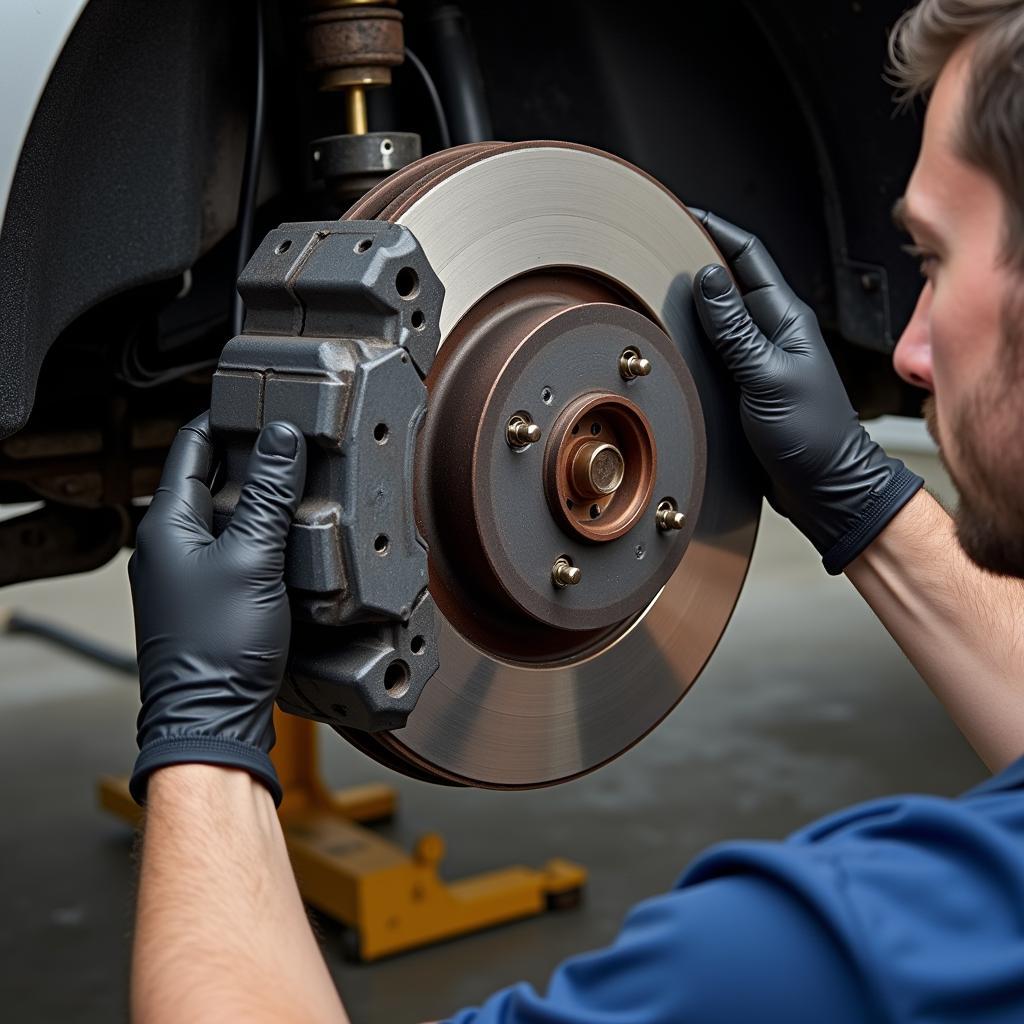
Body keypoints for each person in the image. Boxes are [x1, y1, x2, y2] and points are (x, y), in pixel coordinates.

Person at [127, 1, 1024, 1021]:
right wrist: (859, 498)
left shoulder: (822, 956)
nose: (904, 351)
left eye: (932, 260)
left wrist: (202, 730)